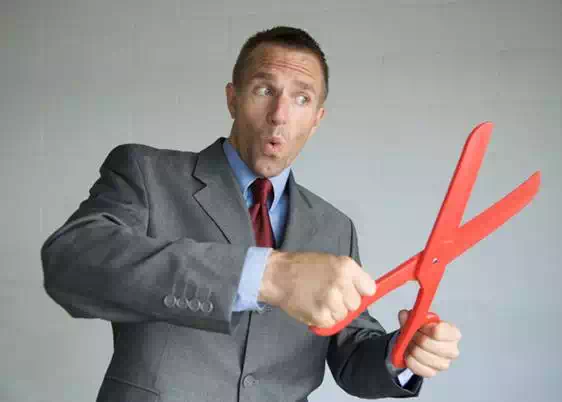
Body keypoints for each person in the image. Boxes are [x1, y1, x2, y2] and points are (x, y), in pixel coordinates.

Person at [41, 26, 462, 401]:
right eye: (264, 90)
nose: (280, 115)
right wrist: (267, 274)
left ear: (316, 120)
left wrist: (402, 354)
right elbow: (71, 262)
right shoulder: (147, 173)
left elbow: (351, 351)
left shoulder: (335, 227)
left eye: (301, 98)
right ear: (232, 98)